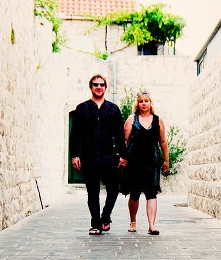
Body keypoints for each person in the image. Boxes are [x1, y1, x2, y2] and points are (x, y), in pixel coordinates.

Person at [71, 73, 127, 235]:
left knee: (114, 189)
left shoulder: (112, 109)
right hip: (89, 157)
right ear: (91, 87)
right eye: (95, 84)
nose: (98, 87)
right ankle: (95, 224)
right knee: (93, 192)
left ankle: (105, 217)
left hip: (108, 157)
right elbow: (75, 135)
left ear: (105, 88)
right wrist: (75, 155)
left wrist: (123, 155)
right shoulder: (82, 109)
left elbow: (119, 135)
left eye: (101, 84)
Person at [123, 91, 169, 236]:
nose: (144, 103)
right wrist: (123, 158)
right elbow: (124, 140)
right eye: (141, 101)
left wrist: (166, 159)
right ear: (138, 103)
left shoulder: (158, 120)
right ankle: (133, 222)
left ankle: (151, 225)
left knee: (152, 193)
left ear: (150, 103)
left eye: (146, 101)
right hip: (134, 161)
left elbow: (163, 141)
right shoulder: (132, 119)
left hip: (152, 160)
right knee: (134, 193)